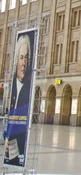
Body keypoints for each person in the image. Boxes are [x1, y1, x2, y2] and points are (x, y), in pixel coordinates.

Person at [4, 34, 33, 165]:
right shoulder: (13, 88)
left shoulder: (28, 90)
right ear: (16, 60)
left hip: (18, 147)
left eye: (26, 58)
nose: (23, 63)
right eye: (21, 58)